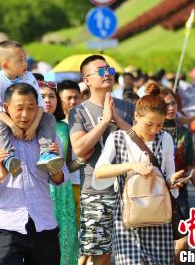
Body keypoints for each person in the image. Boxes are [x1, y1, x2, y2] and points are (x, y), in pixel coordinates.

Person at [0, 83, 69, 264]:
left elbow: (61, 179)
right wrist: (1, 175)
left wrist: (54, 169)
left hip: (44, 223)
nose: (25, 114)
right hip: (7, 225)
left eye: (31, 108)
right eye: (19, 108)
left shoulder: (49, 138)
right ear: (7, 108)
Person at [93, 83, 186, 264]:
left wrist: (172, 181)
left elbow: (167, 176)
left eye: (159, 125)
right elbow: (100, 171)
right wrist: (132, 166)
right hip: (127, 219)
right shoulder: (118, 138)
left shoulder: (165, 138)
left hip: (159, 217)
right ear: (136, 116)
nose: (154, 130)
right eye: (149, 124)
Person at [69, 55, 134, 265]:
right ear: (86, 80)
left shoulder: (127, 107)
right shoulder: (78, 112)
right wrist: (105, 121)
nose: (107, 73)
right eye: (100, 71)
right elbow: (79, 147)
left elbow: (141, 142)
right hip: (95, 191)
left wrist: (119, 120)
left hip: (129, 189)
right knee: (100, 255)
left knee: (131, 253)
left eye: (109, 70)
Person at [0, 40, 62, 178]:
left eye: (25, 59)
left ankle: (45, 153)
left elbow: (40, 104)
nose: (25, 64)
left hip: (31, 119)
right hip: (5, 119)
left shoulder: (28, 77)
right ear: (5, 65)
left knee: (49, 118)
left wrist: (33, 127)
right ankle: (9, 158)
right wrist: (12, 125)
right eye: (20, 61)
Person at [159, 86, 195, 263]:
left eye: (173, 103)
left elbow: (192, 164)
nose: (171, 107)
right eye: (166, 104)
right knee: (160, 245)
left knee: (182, 243)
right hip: (156, 194)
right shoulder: (150, 133)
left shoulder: (184, 133)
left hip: (180, 195)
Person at [39, 80, 79, 265]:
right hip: (40, 192)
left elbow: (68, 164)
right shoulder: (27, 128)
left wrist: (82, 160)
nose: (47, 100)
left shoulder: (63, 127)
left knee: (66, 241)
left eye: (52, 96)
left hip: (62, 190)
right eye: (42, 96)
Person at [57, 80, 84, 227]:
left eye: (76, 97)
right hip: (66, 185)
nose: (73, 101)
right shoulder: (57, 126)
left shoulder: (88, 124)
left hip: (87, 184)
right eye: (68, 98)